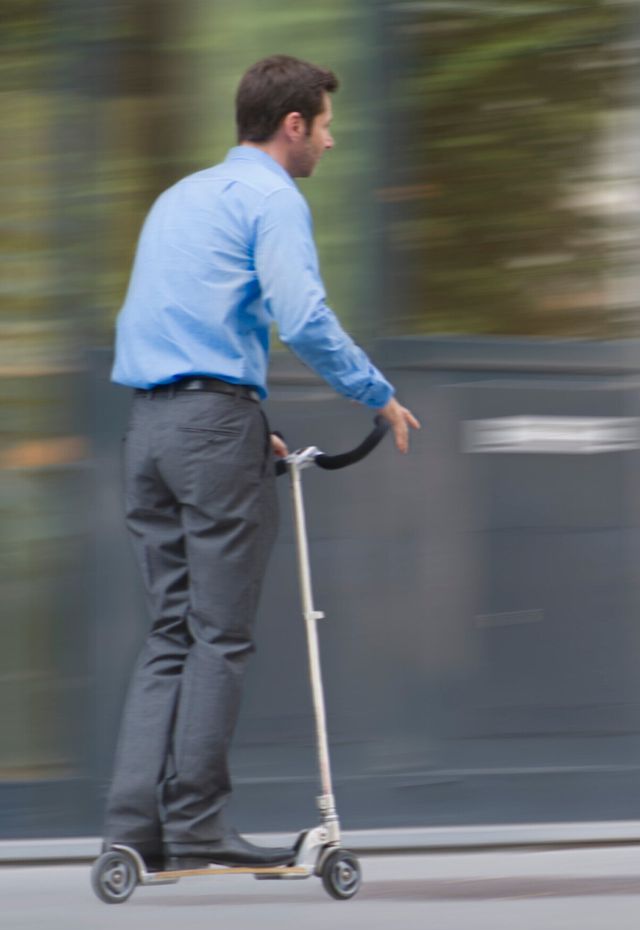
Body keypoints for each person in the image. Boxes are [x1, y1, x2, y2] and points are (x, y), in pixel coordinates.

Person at [102, 55, 420, 870]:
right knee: (220, 634)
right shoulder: (272, 198)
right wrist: (376, 395)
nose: (332, 140)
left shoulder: (179, 198)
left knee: (169, 631)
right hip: (210, 431)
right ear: (292, 127)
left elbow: (173, 321)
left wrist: (247, 427)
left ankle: (132, 830)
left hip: (148, 432)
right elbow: (302, 316)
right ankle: (197, 823)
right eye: (324, 125)